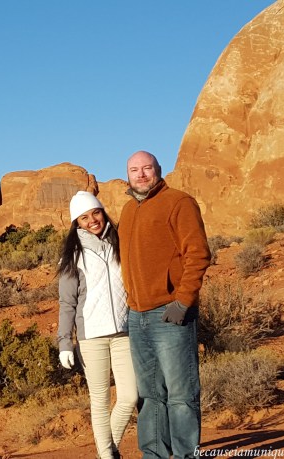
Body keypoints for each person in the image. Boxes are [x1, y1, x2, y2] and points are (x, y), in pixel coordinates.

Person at [118, 151, 211, 459]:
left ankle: (186, 455)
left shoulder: (178, 202)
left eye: (147, 168)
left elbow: (197, 254)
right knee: (149, 395)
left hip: (170, 313)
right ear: (128, 175)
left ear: (158, 170)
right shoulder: (129, 210)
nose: (141, 174)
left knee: (181, 394)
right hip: (138, 315)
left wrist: (183, 301)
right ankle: (154, 454)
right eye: (134, 170)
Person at [58, 191, 138, 459]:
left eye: (96, 213)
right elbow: (66, 303)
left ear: (103, 212)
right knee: (100, 402)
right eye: (84, 217)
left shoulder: (120, 243)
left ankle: (108, 449)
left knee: (129, 396)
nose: (92, 220)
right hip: (91, 336)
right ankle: (107, 455)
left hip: (124, 333)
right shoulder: (73, 256)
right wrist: (64, 343)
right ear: (76, 223)